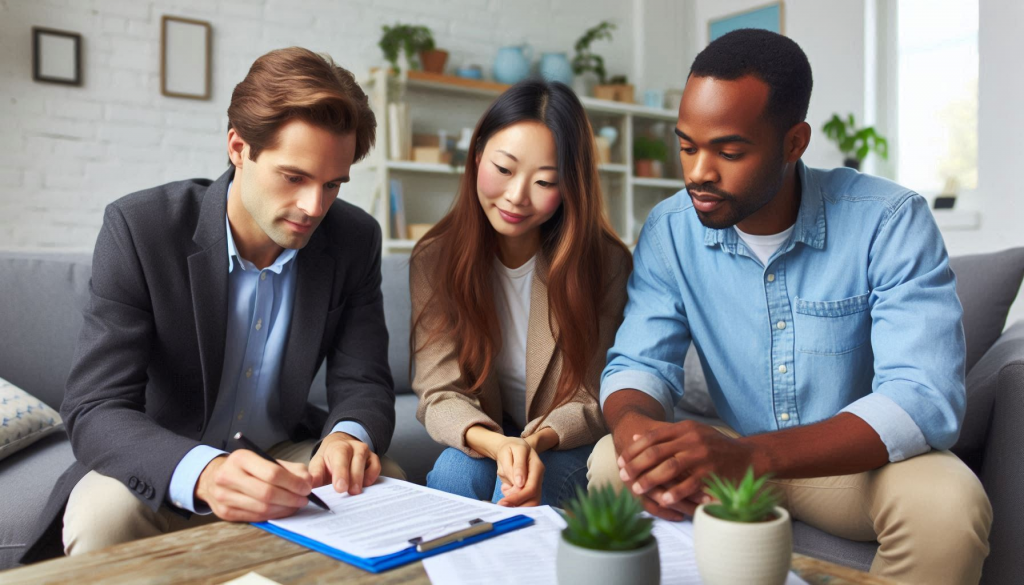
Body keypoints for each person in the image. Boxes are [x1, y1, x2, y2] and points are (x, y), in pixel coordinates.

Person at [587, 29, 991, 584]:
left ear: (794, 142)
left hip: (852, 467)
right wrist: (634, 426)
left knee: (950, 507)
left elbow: (923, 396)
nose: (698, 172)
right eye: (686, 146)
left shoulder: (890, 221)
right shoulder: (669, 229)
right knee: (612, 462)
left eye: (729, 151)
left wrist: (753, 457)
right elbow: (638, 363)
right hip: (735, 459)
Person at [21, 47, 402, 563]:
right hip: (168, 454)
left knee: (387, 485)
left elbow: (363, 379)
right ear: (238, 147)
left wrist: (347, 437)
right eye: (294, 177)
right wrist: (203, 470)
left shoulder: (355, 238)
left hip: (285, 454)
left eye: (332, 184)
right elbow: (96, 407)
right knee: (103, 515)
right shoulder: (140, 229)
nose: (315, 207)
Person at [411, 79, 631, 507]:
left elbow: (592, 395)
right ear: (477, 157)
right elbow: (440, 391)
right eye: (504, 169)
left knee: (520, 486)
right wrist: (500, 447)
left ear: (569, 186)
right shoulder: (434, 259)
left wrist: (532, 444)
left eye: (544, 182)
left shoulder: (604, 264)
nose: (516, 196)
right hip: (489, 434)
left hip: (566, 442)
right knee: (456, 473)